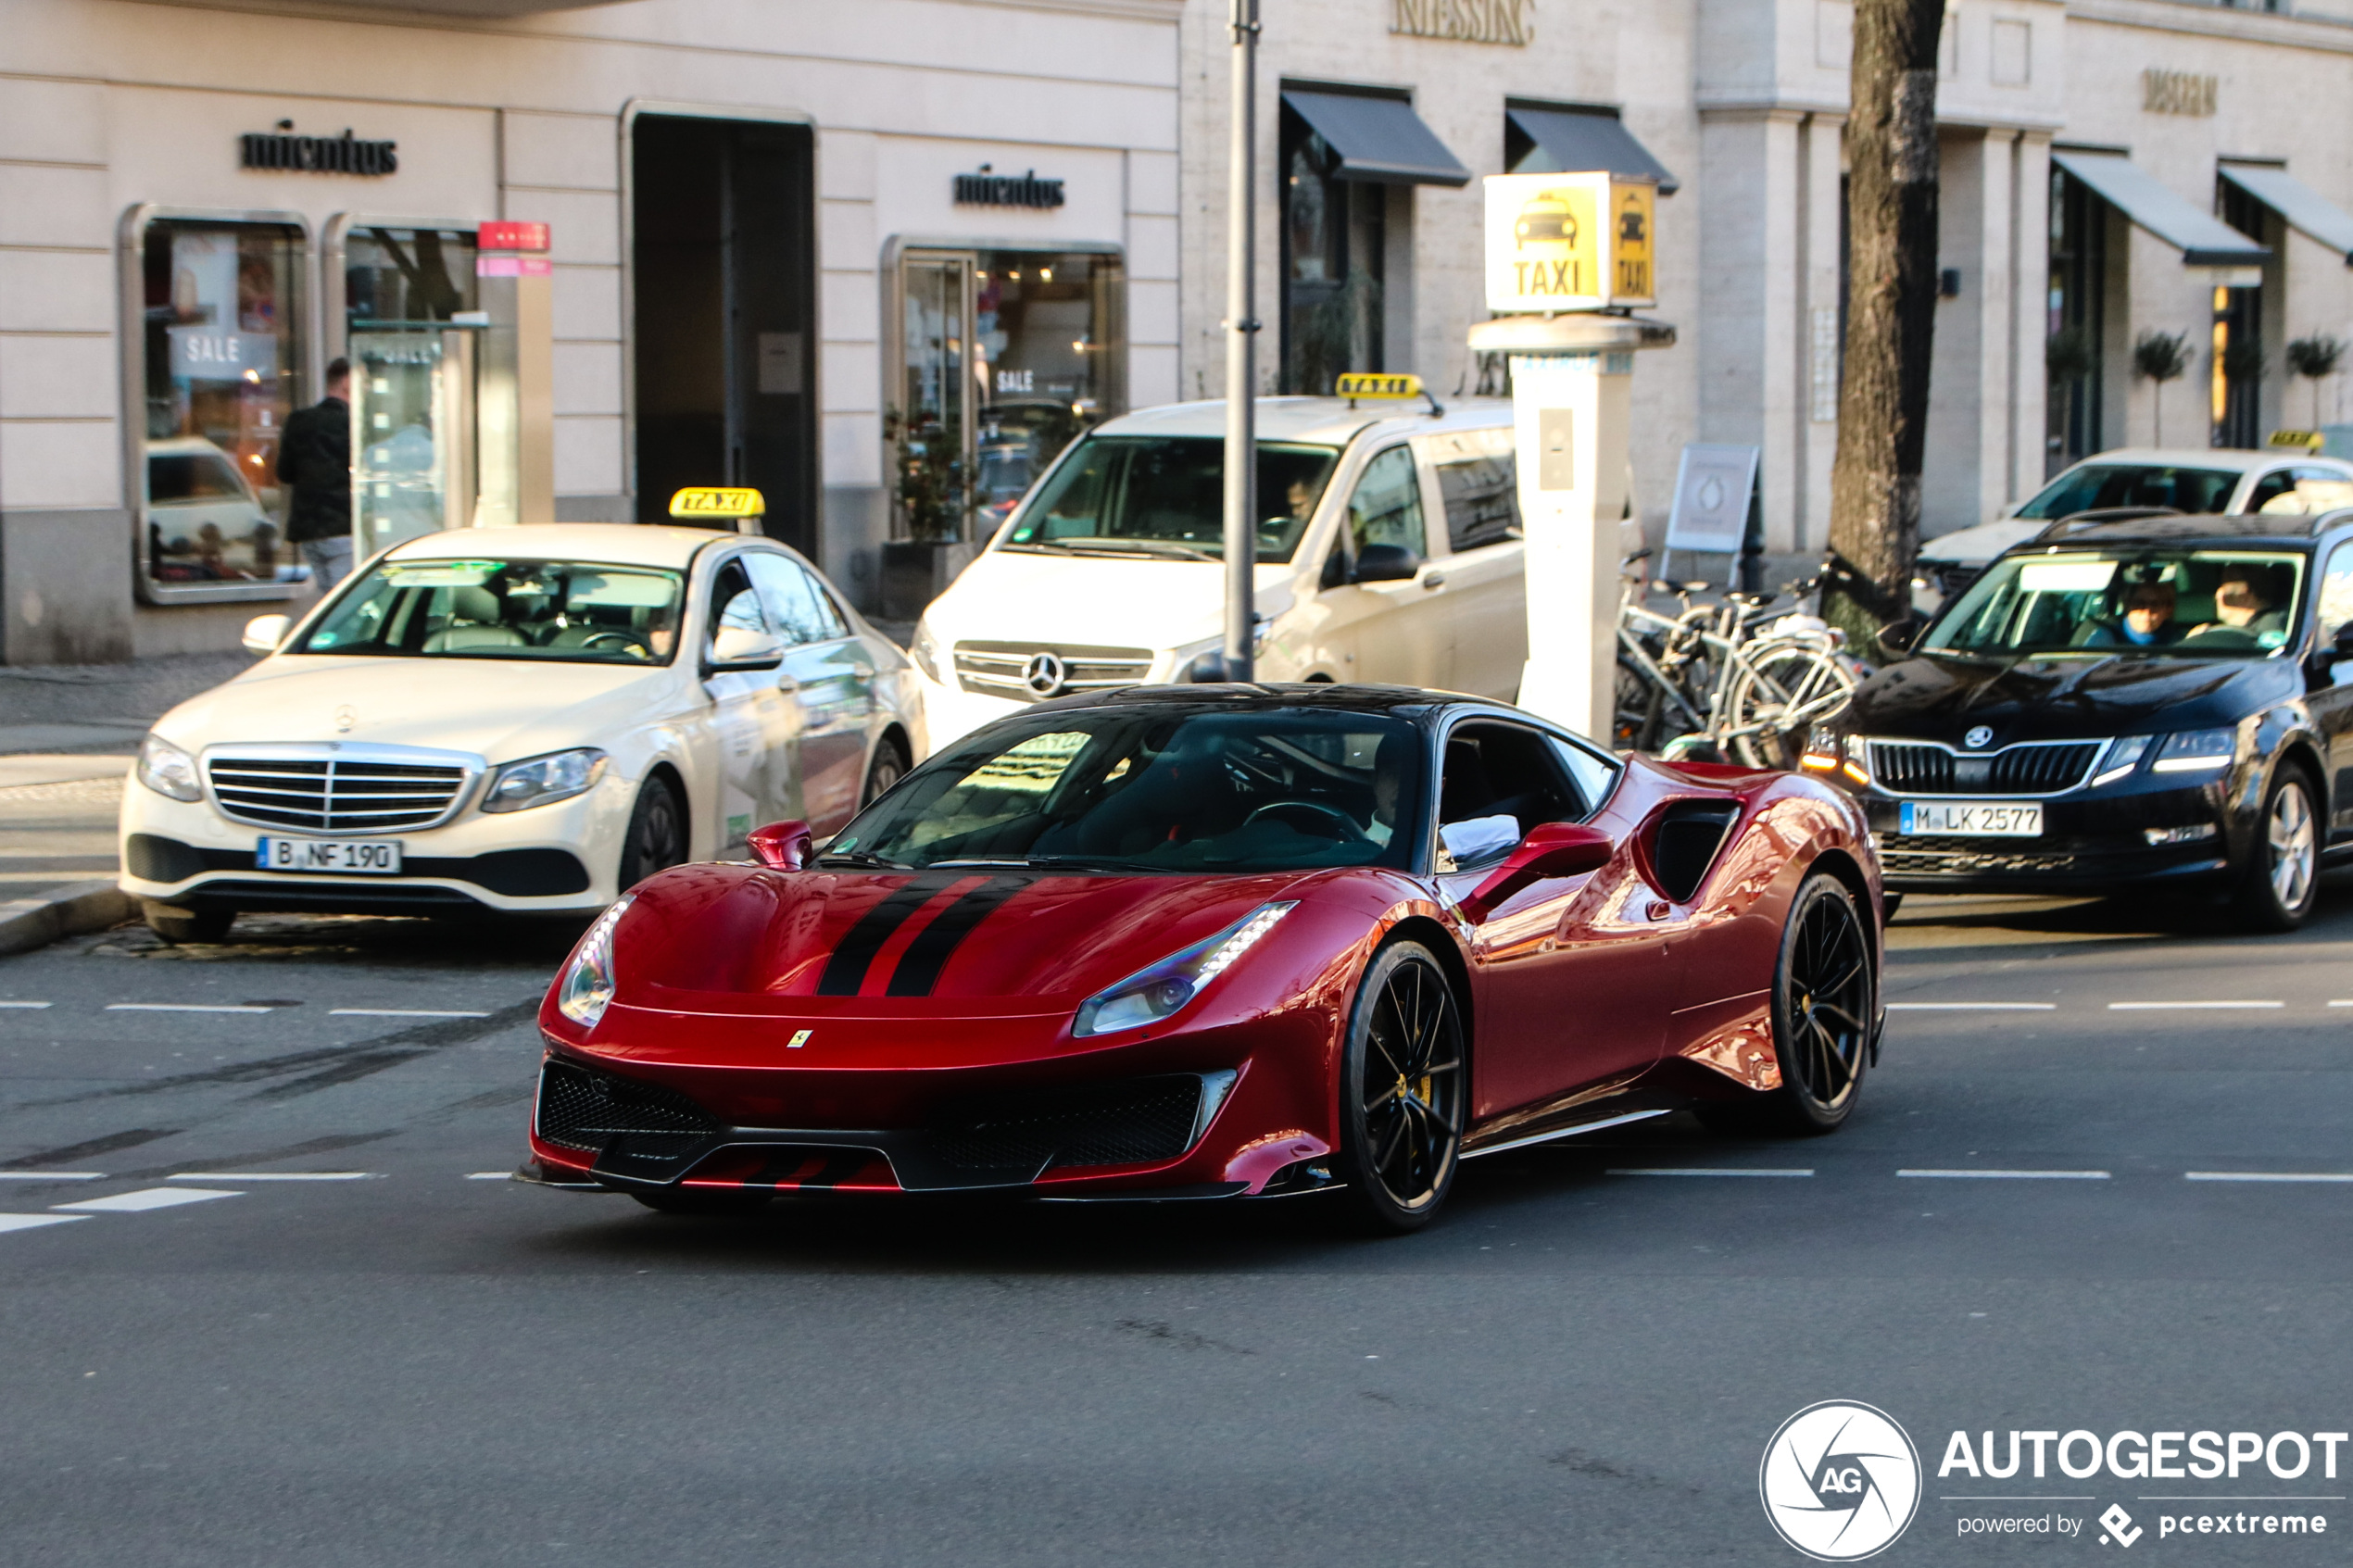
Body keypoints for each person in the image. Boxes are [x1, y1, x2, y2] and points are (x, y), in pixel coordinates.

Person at [277, 358, 353, 592]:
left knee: (329, 601)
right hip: (343, 528)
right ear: (347, 382)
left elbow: (284, 473)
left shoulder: (298, 420)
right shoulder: (352, 423)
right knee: (344, 605)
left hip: (308, 529)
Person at [2079, 580, 2181, 648]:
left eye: (2155, 604)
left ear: (2168, 610)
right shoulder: (2104, 638)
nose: (2147, 612)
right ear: (2127, 606)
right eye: (2139, 604)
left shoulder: (2179, 641)